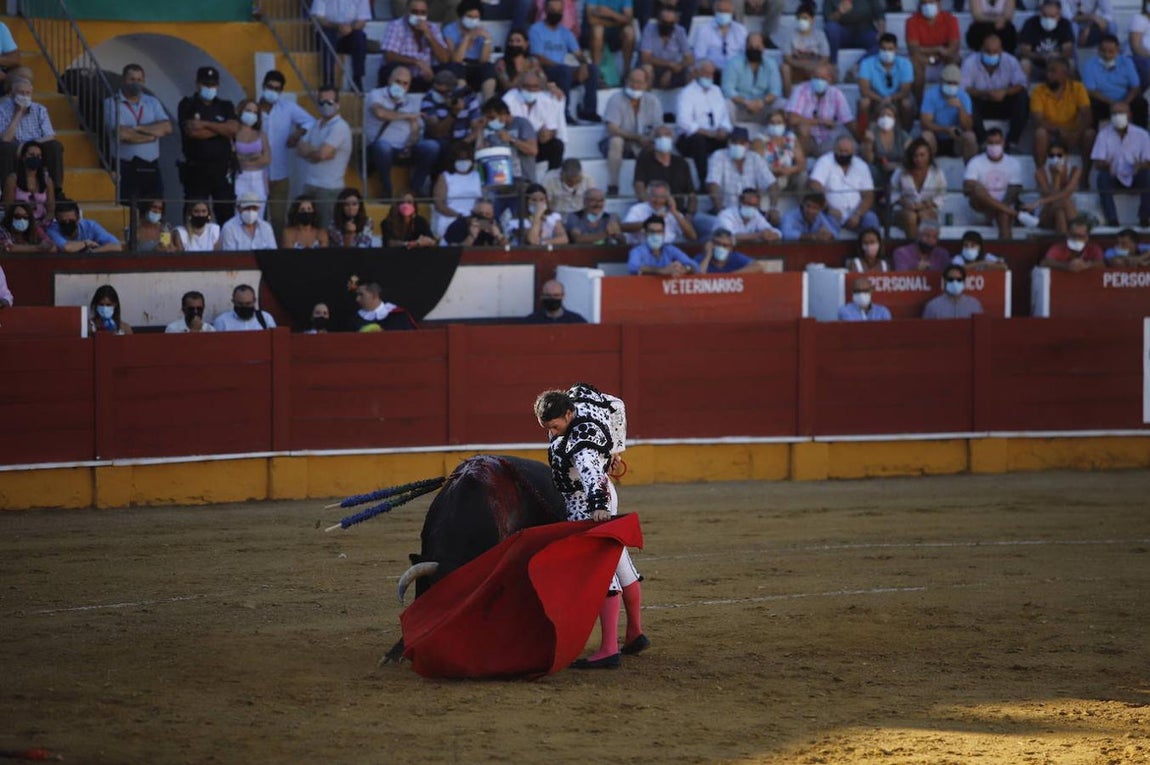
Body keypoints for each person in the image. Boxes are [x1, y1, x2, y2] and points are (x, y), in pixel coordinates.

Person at [533, 385, 646, 669]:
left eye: (555, 426)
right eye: (546, 427)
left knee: (599, 572)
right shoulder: (580, 398)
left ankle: (608, 650)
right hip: (599, 495)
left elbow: (593, 475)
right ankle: (634, 634)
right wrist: (616, 449)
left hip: (585, 504)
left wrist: (598, 507)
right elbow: (617, 404)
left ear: (568, 413)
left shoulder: (580, 443)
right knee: (617, 561)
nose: (552, 433)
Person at [177, 66, 238, 225]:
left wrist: (204, 124)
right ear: (198, 84)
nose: (210, 88)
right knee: (195, 215)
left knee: (226, 215)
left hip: (222, 169)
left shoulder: (225, 105)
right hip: (197, 170)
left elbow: (233, 129)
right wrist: (221, 128)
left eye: (213, 84)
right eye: (206, 84)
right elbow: (193, 132)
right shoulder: (187, 104)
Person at [104, 63, 172, 205]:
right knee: (129, 209)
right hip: (125, 166)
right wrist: (152, 135)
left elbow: (167, 128)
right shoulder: (111, 103)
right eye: (132, 79)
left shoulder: (152, 102)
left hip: (151, 166)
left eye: (139, 80)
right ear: (123, 80)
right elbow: (122, 134)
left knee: (155, 208)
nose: (136, 83)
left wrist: (136, 128)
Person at [367, 66, 439, 200]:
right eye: (398, 81)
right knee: (382, 147)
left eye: (405, 83)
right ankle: (386, 190)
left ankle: (414, 191)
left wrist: (411, 142)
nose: (401, 86)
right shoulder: (376, 94)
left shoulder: (412, 101)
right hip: (380, 149)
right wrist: (407, 116)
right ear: (389, 80)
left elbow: (415, 131)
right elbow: (380, 113)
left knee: (432, 147)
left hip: (405, 149)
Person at [258, 71, 315, 238]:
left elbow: (310, 121)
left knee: (277, 219)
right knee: (256, 217)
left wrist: (298, 134)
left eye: (277, 89)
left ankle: (276, 253)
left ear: (281, 91)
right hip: (256, 175)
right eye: (270, 87)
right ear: (263, 86)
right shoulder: (252, 109)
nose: (273, 91)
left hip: (280, 175)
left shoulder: (287, 108)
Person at [530, 0, 601, 122]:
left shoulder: (565, 32)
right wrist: (563, 67)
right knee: (565, 70)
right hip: (545, 72)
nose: (556, 14)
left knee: (592, 69)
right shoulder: (536, 29)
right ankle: (563, 112)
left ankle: (589, 111)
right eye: (553, 11)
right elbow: (538, 57)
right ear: (546, 11)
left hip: (563, 72)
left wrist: (584, 64)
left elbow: (578, 53)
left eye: (559, 11)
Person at [298, 85, 353, 227]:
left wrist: (315, 153)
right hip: (310, 184)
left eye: (329, 102)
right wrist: (318, 153)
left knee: (325, 230)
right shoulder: (316, 124)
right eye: (321, 102)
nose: (325, 105)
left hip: (329, 189)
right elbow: (300, 148)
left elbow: (321, 154)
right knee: (307, 229)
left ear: (338, 104)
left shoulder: (340, 127)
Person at [961, 35, 1029, 150]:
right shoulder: (970, 62)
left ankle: (1012, 141)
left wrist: (1005, 92)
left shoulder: (1010, 61)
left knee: (1022, 97)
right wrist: (985, 93)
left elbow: (1022, 84)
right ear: (982, 49)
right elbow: (963, 88)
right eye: (988, 51)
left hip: (1003, 103)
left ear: (1001, 50)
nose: (991, 54)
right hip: (981, 104)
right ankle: (982, 141)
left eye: (995, 51)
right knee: (965, 99)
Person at [602, 68, 662, 196]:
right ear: (626, 81)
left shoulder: (653, 101)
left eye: (639, 82)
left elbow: (658, 127)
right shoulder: (616, 99)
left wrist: (651, 140)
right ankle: (613, 185)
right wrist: (636, 137)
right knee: (616, 142)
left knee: (662, 142)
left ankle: (657, 188)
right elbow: (612, 128)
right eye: (632, 81)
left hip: (642, 142)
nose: (635, 85)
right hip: (619, 141)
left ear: (646, 84)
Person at [1090, 102, 1150, 227]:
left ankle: (1145, 217)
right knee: (1102, 177)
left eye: (1121, 113)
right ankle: (1112, 219)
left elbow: (1148, 160)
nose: (1118, 116)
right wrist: (1106, 165)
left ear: (1130, 114)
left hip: (1136, 175)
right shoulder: (1103, 135)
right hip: (1114, 176)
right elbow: (1097, 163)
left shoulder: (1142, 135)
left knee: (1148, 176)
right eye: (1114, 113)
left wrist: (1140, 166)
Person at [1029, 57, 1094, 173]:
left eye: (1053, 71)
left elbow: (1087, 115)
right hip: (1052, 132)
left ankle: (1085, 175)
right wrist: (1059, 131)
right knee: (1040, 133)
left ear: (1065, 74)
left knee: (1089, 134)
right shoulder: (1038, 91)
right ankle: (1041, 175)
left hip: (1074, 131)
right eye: (1048, 71)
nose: (1048, 75)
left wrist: (1076, 133)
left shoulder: (1078, 88)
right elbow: (1038, 120)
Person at [676, 61, 733, 190]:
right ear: (697, 73)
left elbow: (725, 116)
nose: (708, 77)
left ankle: (727, 184)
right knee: (698, 141)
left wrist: (724, 129)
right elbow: (683, 122)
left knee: (733, 139)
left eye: (711, 74)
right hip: (690, 138)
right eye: (705, 73)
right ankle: (704, 182)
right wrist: (708, 133)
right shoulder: (687, 93)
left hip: (714, 135)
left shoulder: (717, 91)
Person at [477, 95, 539, 211]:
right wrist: (480, 130)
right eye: (488, 118)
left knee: (518, 220)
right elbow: (480, 153)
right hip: (499, 184)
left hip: (522, 182)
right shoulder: (490, 130)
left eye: (492, 117)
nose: (491, 121)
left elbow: (533, 150)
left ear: (503, 113)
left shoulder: (522, 124)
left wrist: (512, 139)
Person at [809, 135, 880, 235]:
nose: (843, 154)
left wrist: (858, 214)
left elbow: (868, 194)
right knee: (825, 229)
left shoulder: (861, 165)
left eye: (846, 151)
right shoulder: (825, 161)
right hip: (831, 213)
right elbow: (815, 185)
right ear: (834, 149)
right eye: (840, 151)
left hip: (856, 214)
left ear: (853, 152)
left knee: (871, 219)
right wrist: (827, 208)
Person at [0, 77, 63, 189]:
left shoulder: (40, 109)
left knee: (55, 146)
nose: (24, 96)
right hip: (15, 147)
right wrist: (19, 112)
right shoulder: (3, 109)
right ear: (12, 93)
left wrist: (28, 146)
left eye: (27, 93)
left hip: (35, 145)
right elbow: (5, 138)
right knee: (6, 148)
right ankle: (7, 193)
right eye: (21, 93)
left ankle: (56, 191)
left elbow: (50, 136)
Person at [963, 128, 1024, 239]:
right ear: (986, 144)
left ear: (1003, 142)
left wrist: (1001, 207)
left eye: (997, 143)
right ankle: (1010, 212)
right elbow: (967, 186)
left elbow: (1015, 189)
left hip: (1005, 203)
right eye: (990, 143)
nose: (994, 146)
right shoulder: (975, 161)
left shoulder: (1013, 163)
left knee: (1004, 215)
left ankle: (1005, 251)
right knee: (977, 188)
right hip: (981, 206)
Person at [784, 61, 854, 156]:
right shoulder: (801, 90)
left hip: (827, 139)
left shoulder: (836, 93)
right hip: (806, 139)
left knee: (845, 144)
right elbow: (792, 119)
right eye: (816, 77)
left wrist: (859, 138)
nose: (819, 81)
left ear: (830, 79)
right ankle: (801, 163)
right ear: (811, 77)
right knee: (803, 128)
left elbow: (848, 120)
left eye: (823, 78)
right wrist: (821, 121)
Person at [380, 0, 451, 93]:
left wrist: (429, 36)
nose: (418, 16)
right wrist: (416, 62)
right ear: (406, 11)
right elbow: (388, 56)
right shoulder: (396, 26)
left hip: (426, 77)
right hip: (403, 77)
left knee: (451, 67)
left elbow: (444, 59)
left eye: (422, 13)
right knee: (394, 68)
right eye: (414, 12)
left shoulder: (433, 28)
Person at [706, 127, 778, 217]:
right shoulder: (719, 156)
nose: (737, 145)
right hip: (727, 210)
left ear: (748, 145)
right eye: (734, 142)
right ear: (728, 143)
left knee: (774, 221)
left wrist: (773, 208)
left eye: (742, 143)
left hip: (751, 211)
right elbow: (713, 184)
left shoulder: (755, 158)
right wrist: (720, 210)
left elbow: (772, 183)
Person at [1081, 35, 1147, 130]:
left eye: (1111, 52)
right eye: (1103, 51)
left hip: (1125, 100)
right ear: (1098, 50)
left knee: (1141, 104)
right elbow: (1091, 91)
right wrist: (1113, 103)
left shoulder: (1126, 62)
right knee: (1093, 107)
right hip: (1103, 101)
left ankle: (1141, 136)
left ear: (1118, 50)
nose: (1107, 55)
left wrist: (1124, 103)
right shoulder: (1090, 65)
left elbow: (1135, 87)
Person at [504, 70, 565, 171]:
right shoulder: (509, 99)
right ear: (520, 86)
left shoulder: (546, 101)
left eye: (535, 86)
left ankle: (552, 177)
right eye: (526, 86)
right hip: (515, 144)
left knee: (556, 145)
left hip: (536, 144)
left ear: (540, 88)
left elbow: (553, 128)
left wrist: (548, 134)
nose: (530, 90)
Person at [441, 0, 498, 101]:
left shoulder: (482, 31)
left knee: (489, 67)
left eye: (476, 17)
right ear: (461, 16)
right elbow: (456, 59)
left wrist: (487, 40)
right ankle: (465, 101)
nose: (473, 20)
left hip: (476, 66)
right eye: (470, 16)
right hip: (460, 66)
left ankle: (489, 102)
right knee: (455, 67)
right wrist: (467, 38)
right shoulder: (449, 29)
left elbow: (484, 60)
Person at [919, 64, 978, 161]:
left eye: (954, 83)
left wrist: (961, 109)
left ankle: (971, 171)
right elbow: (924, 123)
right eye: (948, 82)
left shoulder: (963, 96)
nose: (951, 86)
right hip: (936, 137)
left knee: (970, 137)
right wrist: (946, 130)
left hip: (956, 139)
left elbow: (968, 127)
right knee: (926, 136)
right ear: (941, 81)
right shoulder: (931, 94)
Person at [857, 34, 916, 129]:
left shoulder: (905, 63)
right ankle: (863, 134)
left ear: (896, 49)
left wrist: (890, 99)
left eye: (890, 48)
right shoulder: (867, 63)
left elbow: (905, 91)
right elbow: (864, 90)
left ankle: (905, 134)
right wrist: (881, 99)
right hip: (875, 99)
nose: (886, 52)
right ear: (878, 49)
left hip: (897, 99)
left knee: (907, 103)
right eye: (883, 49)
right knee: (864, 102)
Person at [906, 0, 961, 102]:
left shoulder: (950, 19)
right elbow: (913, 49)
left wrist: (928, 51)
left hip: (944, 58)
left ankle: (949, 100)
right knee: (914, 62)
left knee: (955, 59)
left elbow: (954, 47)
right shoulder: (912, 21)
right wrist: (938, 49)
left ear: (939, 4)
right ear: (920, 5)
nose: (928, 6)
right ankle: (920, 103)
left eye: (931, 2)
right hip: (924, 59)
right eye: (924, 3)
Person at [423, 69, 483, 161]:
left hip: (464, 140)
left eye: (443, 92)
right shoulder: (429, 98)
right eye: (436, 90)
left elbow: (476, 128)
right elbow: (436, 132)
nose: (439, 94)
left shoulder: (468, 97)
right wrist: (453, 114)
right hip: (442, 142)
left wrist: (463, 144)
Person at [722, 34, 782, 126]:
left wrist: (762, 102)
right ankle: (732, 134)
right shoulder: (733, 63)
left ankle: (775, 135)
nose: (754, 49)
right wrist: (746, 102)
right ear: (745, 47)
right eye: (751, 46)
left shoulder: (771, 64)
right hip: (740, 106)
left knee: (782, 103)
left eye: (757, 47)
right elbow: (727, 89)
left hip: (763, 105)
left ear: (763, 48)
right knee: (726, 104)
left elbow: (775, 90)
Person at [633, 125, 696, 214]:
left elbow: (691, 194)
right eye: (659, 136)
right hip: (652, 211)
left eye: (667, 135)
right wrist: (652, 208)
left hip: (678, 213)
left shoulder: (681, 163)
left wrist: (689, 216)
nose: (663, 138)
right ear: (654, 141)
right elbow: (639, 187)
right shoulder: (644, 160)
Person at [1022, 138, 1079, 233]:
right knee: (1061, 203)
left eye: (1059, 155)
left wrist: (1039, 202)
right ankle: (1076, 231)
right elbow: (1052, 199)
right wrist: (1056, 177)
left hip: (1068, 212)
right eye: (1051, 155)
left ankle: (1062, 242)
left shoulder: (1074, 171)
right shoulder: (1040, 173)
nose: (1055, 158)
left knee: (1060, 212)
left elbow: (1067, 193)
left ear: (1067, 156)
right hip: (1047, 213)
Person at [893, 137, 946, 238]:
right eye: (915, 156)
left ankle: (927, 248)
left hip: (928, 208)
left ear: (929, 155)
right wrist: (905, 203)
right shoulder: (901, 171)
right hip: (904, 208)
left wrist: (925, 205)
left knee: (924, 216)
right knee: (911, 217)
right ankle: (912, 249)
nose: (919, 159)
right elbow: (892, 193)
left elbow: (942, 195)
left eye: (922, 155)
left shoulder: (937, 172)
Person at [312, 0, 370, 91]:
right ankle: (328, 79)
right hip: (329, 29)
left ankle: (357, 79)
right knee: (327, 36)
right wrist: (338, 26)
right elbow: (319, 18)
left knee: (360, 36)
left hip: (351, 30)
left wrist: (350, 28)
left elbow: (362, 20)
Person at [432, 141, 483, 237]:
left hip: (474, 219)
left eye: (466, 158)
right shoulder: (445, 177)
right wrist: (459, 217)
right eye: (460, 159)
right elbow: (439, 204)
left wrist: (474, 217)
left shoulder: (477, 176)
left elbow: (483, 200)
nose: (463, 161)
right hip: (450, 218)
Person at [622, 180, 697, 244]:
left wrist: (674, 211)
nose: (658, 200)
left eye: (662, 197)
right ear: (648, 196)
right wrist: (653, 220)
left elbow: (692, 237)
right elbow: (625, 227)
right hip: (644, 248)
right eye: (654, 196)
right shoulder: (638, 209)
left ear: (668, 198)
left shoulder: (673, 212)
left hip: (668, 250)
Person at [639, 2, 694, 89]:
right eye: (665, 22)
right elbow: (645, 58)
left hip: (673, 70)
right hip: (654, 68)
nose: (667, 26)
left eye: (671, 23)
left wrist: (673, 68)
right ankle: (647, 98)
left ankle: (688, 100)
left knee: (692, 71)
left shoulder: (680, 31)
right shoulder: (649, 29)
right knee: (647, 69)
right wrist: (669, 64)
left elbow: (689, 59)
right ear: (659, 20)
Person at [1017, 0, 1074, 81]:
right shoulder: (1030, 23)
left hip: (1058, 62)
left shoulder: (1065, 24)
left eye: (1052, 16)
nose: (1048, 19)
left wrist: (1057, 56)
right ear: (1040, 12)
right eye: (1045, 15)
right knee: (1024, 63)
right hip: (1036, 64)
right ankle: (1025, 91)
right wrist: (1040, 56)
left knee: (1070, 64)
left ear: (1059, 15)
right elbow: (1024, 51)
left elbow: (1068, 50)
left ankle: (1067, 92)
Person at [861, 101, 911, 190]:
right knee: (869, 169)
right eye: (882, 115)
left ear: (895, 119)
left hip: (898, 171)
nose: (885, 118)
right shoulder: (871, 133)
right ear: (877, 119)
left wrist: (896, 165)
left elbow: (911, 159)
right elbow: (868, 160)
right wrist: (868, 143)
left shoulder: (903, 135)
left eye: (889, 115)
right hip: (878, 172)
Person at [781, 3, 830, 94]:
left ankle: (824, 96)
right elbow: (787, 57)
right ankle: (788, 96)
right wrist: (802, 65)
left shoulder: (820, 35)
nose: (802, 21)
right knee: (785, 68)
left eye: (805, 18)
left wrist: (814, 67)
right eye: (799, 18)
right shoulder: (791, 35)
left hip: (815, 68)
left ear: (812, 20)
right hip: (797, 68)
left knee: (829, 68)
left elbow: (825, 57)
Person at [3, 140, 54, 225]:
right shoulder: (13, 179)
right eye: (32, 155)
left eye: (38, 156)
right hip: (19, 223)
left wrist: (43, 223)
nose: (35, 158)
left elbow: (51, 210)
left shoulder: (47, 181)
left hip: (42, 224)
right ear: (23, 157)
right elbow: (8, 209)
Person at [233, 98, 271, 210]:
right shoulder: (233, 134)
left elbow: (267, 159)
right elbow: (234, 159)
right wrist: (253, 158)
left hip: (259, 178)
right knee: (239, 212)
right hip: (240, 177)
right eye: (248, 111)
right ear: (241, 111)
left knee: (259, 212)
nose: (252, 114)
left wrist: (243, 159)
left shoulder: (261, 135)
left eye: (255, 113)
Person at [694, 0, 749, 77]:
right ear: (715, 11)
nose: (723, 14)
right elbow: (700, 56)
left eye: (726, 11)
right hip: (713, 72)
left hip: (736, 72)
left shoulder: (740, 30)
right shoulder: (704, 30)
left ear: (732, 11)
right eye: (720, 11)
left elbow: (745, 53)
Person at [627, 215, 697, 274]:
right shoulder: (638, 251)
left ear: (664, 233)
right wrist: (661, 270)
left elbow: (694, 266)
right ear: (645, 233)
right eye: (652, 231)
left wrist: (684, 269)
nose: (656, 235)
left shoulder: (670, 249)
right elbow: (633, 267)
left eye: (659, 231)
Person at [585, 0, 637, 80]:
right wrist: (617, 20)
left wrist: (610, 13)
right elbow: (591, 20)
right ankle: (595, 72)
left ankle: (626, 71)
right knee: (598, 30)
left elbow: (628, 19)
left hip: (617, 33)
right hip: (598, 31)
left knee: (629, 32)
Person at [504, 182, 569, 244]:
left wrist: (544, 243)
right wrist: (537, 216)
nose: (538, 203)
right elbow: (532, 240)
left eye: (541, 199)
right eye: (534, 200)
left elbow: (564, 239)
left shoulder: (553, 217)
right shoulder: (517, 221)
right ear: (526, 201)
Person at [46, 199, 122, 253]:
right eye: (63, 221)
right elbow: (66, 248)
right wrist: (86, 243)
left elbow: (116, 245)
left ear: (78, 218)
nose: (67, 223)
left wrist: (93, 252)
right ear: (57, 220)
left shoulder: (91, 226)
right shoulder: (52, 230)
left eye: (71, 221)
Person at [822, 0, 884, 65]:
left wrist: (881, 32)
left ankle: (857, 67)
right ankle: (832, 65)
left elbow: (880, 15)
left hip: (865, 32)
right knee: (831, 28)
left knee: (882, 43)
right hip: (842, 34)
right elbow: (828, 20)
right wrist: (839, 12)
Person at [715, 188, 781, 244]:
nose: (751, 208)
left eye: (754, 205)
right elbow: (729, 237)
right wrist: (759, 235)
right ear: (740, 201)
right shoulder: (726, 215)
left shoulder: (756, 214)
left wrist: (772, 235)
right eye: (748, 204)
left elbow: (775, 231)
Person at [1039, 217, 1104, 271]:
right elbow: (1045, 262)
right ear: (1068, 234)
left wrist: (1086, 265)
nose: (1076, 239)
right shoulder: (1059, 247)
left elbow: (1101, 264)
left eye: (1080, 236)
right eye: (1073, 235)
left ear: (1087, 237)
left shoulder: (1093, 248)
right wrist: (1066, 266)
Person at [695, 227, 767, 273]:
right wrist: (708, 255)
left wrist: (730, 276)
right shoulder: (701, 258)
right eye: (717, 244)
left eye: (725, 245)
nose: (721, 247)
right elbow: (697, 276)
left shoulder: (736, 257)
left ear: (731, 248)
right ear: (711, 244)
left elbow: (758, 267)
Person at [443, 197, 509, 245]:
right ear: (472, 213)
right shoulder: (458, 225)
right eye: (480, 214)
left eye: (487, 214)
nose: (483, 217)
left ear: (493, 214)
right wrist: (471, 237)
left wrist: (499, 236)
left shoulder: (495, 224)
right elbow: (453, 252)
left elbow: (508, 250)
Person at [494, 29, 541, 93]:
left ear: (526, 44)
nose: (514, 44)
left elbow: (543, 81)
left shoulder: (533, 61)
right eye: (511, 41)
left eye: (518, 41)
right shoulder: (501, 62)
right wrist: (524, 72)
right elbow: (507, 87)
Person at [523, 278, 587, 322]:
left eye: (556, 295)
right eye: (548, 295)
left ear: (563, 296)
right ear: (542, 296)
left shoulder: (576, 321)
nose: (552, 298)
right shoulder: (531, 321)